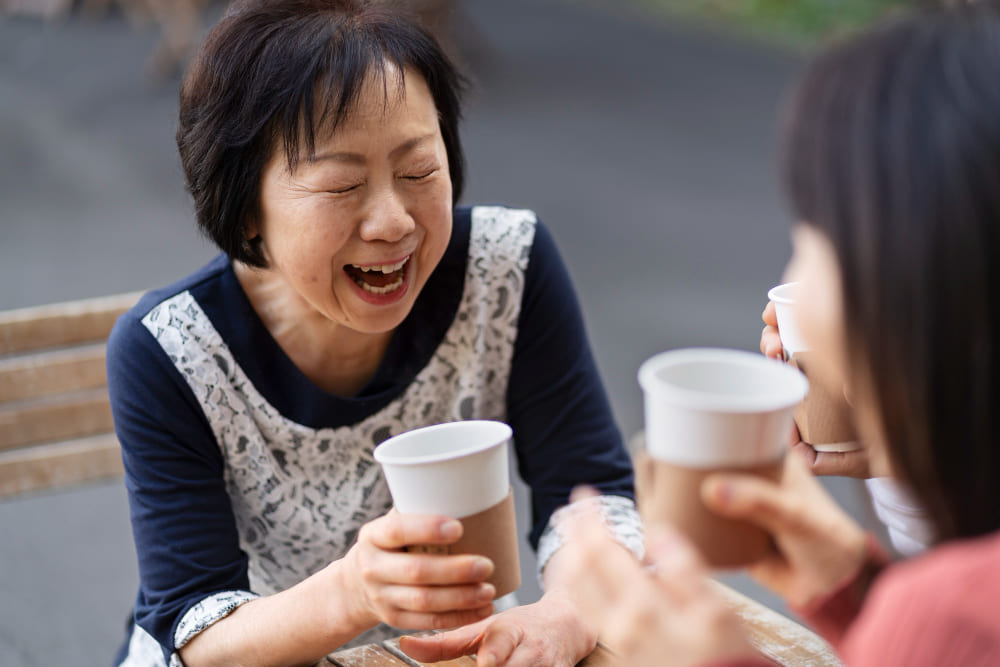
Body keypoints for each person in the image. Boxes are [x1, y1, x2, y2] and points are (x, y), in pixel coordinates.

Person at [106, 1, 641, 665]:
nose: (392, 221)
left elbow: (591, 498)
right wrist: (353, 594)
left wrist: (569, 610)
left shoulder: (508, 267)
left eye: (418, 171)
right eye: (341, 185)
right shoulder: (171, 351)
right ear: (248, 210)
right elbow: (197, 633)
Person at [558, 3, 1000, 664]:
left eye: (809, 236)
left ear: (901, 284)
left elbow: (954, 630)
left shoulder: (949, 614)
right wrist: (854, 585)